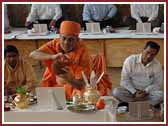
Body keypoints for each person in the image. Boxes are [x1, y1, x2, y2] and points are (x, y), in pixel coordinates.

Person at [29, 20, 112, 100]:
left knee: (84, 95)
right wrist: (52, 57)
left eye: (71, 40)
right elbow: (33, 54)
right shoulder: (55, 43)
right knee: (46, 94)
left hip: (75, 83)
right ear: (59, 37)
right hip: (55, 81)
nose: (66, 43)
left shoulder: (83, 54)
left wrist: (67, 78)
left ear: (77, 39)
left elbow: (81, 85)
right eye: (64, 38)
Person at [113, 41, 163, 107]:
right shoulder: (130, 60)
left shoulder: (157, 65)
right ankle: (145, 105)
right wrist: (134, 92)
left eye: (152, 55)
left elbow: (157, 83)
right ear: (143, 50)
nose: (149, 56)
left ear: (155, 55)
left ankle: (131, 104)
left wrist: (145, 91)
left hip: (147, 93)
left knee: (162, 95)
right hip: (131, 92)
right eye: (147, 52)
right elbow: (124, 81)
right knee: (116, 92)